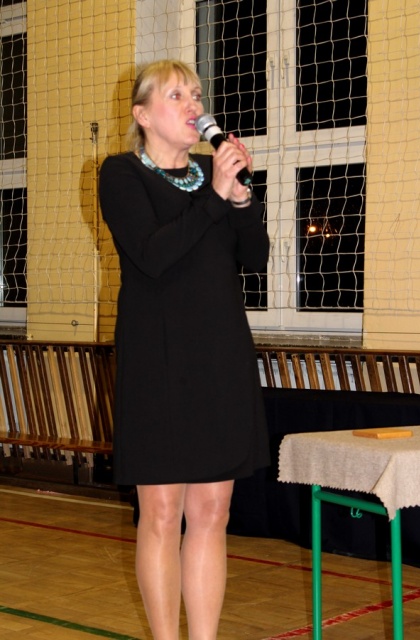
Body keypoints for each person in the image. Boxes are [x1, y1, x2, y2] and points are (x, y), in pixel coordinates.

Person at [99, 59, 270, 640]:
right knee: (162, 514)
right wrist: (216, 197)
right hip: (159, 363)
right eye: (176, 95)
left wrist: (240, 199)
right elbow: (154, 255)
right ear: (143, 115)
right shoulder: (120, 174)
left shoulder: (210, 177)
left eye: (196, 94)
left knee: (212, 513)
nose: (193, 104)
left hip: (220, 358)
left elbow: (255, 259)